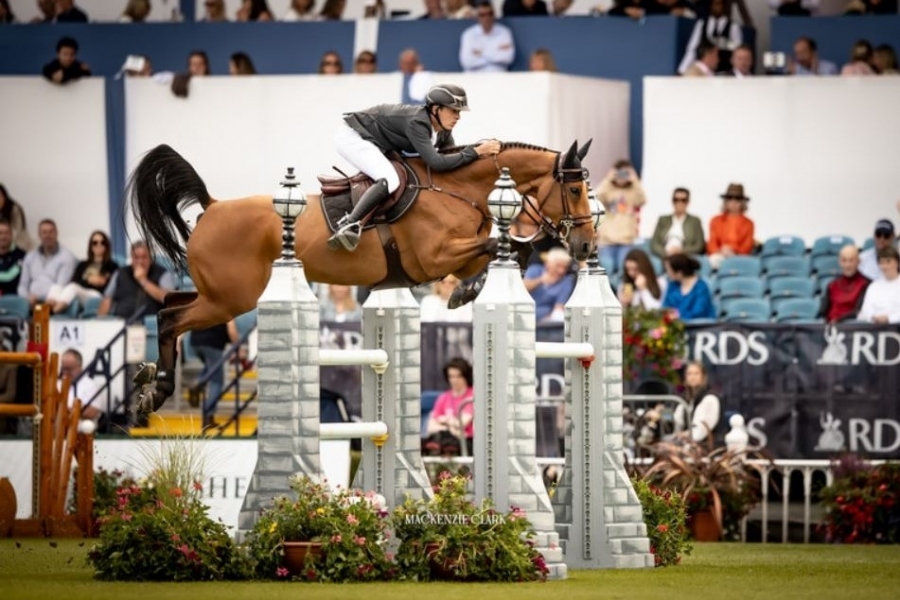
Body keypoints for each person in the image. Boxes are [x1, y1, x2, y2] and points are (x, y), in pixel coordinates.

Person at [327, 83, 500, 252]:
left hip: (376, 141)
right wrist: (476, 151)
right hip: (353, 137)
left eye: (459, 112)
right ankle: (349, 224)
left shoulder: (442, 130)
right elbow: (437, 162)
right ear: (435, 109)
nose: (458, 117)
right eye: (453, 110)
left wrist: (479, 156)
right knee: (390, 179)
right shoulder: (418, 122)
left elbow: (450, 162)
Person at [44, 230, 118, 315]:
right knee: (56, 287)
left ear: (106, 246)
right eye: (95, 243)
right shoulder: (83, 264)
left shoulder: (112, 266)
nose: (99, 245)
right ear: (91, 246)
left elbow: (109, 287)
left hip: (97, 295)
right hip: (80, 291)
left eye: (102, 242)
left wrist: (94, 282)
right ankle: (46, 309)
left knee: (73, 288)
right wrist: (89, 280)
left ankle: (52, 312)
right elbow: (74, 280)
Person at [98, 241, 175, 321]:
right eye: (136, 257)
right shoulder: (120, 273)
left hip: (151, 324)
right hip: (122, 321)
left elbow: (169, 299)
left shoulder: (162, 273)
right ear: (131, 258)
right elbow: (106, 300)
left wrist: (143, 280)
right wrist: (100, 322)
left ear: (150, 259)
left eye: (144, 257)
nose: (140, 262)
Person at [595, 159, 646, 272]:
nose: (621, 176)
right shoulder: (608, 189)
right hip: (607, 241)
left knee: (624, 273)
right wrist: (608, 178)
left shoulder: (633, 190)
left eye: (625, 173)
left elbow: (643, 200)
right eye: (619, 173)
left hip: (626, 241)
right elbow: (596, 198)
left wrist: (635, 179)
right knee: (606, 273)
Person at [189, 319, 238, 429]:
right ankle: (207, 414)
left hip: (195, 342)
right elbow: (232, 330)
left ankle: (198, 382)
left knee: (211, 369)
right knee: (217, 381)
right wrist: (238, 347)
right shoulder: (226, 305)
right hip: (212, 344)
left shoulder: (205, 301)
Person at [17, 219, 77, 309]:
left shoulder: (67, 257)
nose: (47, 235)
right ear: (39, 235)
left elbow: (60, 286)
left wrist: (42, 300)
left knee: (39, 319)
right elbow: (22, 285)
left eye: (51, 232)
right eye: (44, 232)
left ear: (57, 234)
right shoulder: (30, 256)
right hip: (29, 302)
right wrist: (27, 297)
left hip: (51, 303)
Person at [423, 357, 474, 456]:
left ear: (465, 376)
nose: (454, 380)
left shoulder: (473, 395)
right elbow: (430, 427)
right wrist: (451, 428)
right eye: (451, 376)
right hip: (445, 441)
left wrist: (444, 420)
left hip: (466, 444)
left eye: (458, 376)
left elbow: (462, 423)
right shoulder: (443, 397)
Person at [678, 0, 742, 75]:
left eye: (719, 4)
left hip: (725, 72)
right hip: (704, 72)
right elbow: (692, 49)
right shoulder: (701, 24)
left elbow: (738, 51)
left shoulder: (733, 27)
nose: (717, 7)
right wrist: (682, 70)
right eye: (714, 4)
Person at [706, 183, 755, 270]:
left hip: (739, 257)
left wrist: (733, 250)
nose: (733, 201)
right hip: (719, 255)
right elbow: (711, 243)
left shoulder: (749, 223)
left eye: (737, 199)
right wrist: (721, 250)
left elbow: (747, 246)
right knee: (712, 261)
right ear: (726, 201)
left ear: (742, 202)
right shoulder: (715, 220)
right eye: (730, 198)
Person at [458, 1, 515, 73]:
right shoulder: (469, 34)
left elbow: (508, 58)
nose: (487, 17)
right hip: (474, 76)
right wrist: (495, 53)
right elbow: (467, 62)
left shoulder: (504, 32)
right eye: (483, 15)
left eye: (490, 14)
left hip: (498, 76)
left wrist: (481, 53)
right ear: (477, 16)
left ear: (494, 15)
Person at [650, 187, 706, 259]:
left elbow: (699, 246)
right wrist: (665, 252)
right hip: (664, 254)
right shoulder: (663, 220)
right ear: (672, 201)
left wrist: (681, 251)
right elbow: (654, 243)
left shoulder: (695, 221)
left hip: (684, 254)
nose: (679, 203)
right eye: (676, 200)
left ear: (688, 202)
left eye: (683, 200)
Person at [819, 245, 870, 323]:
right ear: (839, 262)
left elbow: (859, 311)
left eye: (851, 260)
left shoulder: (866, 284)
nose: (847, 265)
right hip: (829, 328)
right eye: (844, 260)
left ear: (858, 261)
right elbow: (822, 312)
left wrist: (838, 320)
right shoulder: (831, 285)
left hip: (851, 328)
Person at [524, 247, 576, 322]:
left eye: (565, 267)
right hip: (525, 312)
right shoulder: (535, 270)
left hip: (546, 319)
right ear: (548, 263)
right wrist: (541, 280)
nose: (561, 271)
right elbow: (522, 289)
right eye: (558, 266)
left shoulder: (566, 280)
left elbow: (559, 307)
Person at [673, 361, 721, 443]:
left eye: (696, 373)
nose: (692, 377)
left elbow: (702, 430)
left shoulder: (710, 399)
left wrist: (686, 435)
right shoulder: (684, 399)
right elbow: (677, 422)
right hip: (686, 444)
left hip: (704, 446)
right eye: (689, 374)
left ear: (703, 376)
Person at [662, 253, 716, 320]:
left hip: (699, 326)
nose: (667, 273)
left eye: (669, 270)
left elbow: (699, 312)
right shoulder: (672, 286)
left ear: (679, 273)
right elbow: (665, 307)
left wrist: (676, 316)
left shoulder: (701, 287)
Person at [857, 246, 900, 324]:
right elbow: (865, 312)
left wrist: (889, 318)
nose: (885, 266)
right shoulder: (873, 286)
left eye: (888, 262)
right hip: (876, 329)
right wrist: (873, 317)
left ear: (897, 263)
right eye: (882, 262)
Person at [59, 349, 102, 420]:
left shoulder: (91, 385)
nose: (66, 372)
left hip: (80, 428)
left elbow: (92, 412)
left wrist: (64, 409)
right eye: (64, 369)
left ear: (80, 366)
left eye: (69, 369)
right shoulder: (58, 384)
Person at [0, 184, 32, 251]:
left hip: (18, 242)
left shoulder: (14, 209)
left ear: (5, 196)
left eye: (1, 196)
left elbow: (17, 230)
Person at [0, 220, 26, 296]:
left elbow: (10, 277)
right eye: (0, 233)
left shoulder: (21, 255)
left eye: (7, 233)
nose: (3, 236)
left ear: (11, 235)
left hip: (13, 299)